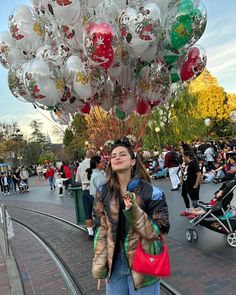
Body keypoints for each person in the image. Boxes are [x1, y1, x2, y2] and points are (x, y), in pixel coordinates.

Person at [92, 138, 170, 294]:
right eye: (113, 156)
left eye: (122, 154)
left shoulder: (152, 192)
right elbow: (101, 229)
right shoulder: (103, 191)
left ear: (133, 161)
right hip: (115, 264)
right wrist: (101, 267)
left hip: (143, 262)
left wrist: (134, 212)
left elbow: (159, 230)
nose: (117, 158)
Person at [75, 149, 95, 239]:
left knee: (87, 213)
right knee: (99, 212)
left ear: (86, 155)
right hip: (95, 191)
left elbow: (77, 180)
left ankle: (90, 233)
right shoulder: (96, 163)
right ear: (93, 155)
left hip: (85, 191)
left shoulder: (80, 166)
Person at [180, 150, 202, 219]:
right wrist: (181, 180)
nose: (182, 158)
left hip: (192, 184)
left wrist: (196, 184)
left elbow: (199, 174)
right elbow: (183, 172)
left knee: (194, 198)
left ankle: (196, 213)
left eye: (183, 156)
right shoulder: (185, 164)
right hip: (186, 183)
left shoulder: (194, 163)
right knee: (184, 194)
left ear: (187, 156)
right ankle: (188, 210)